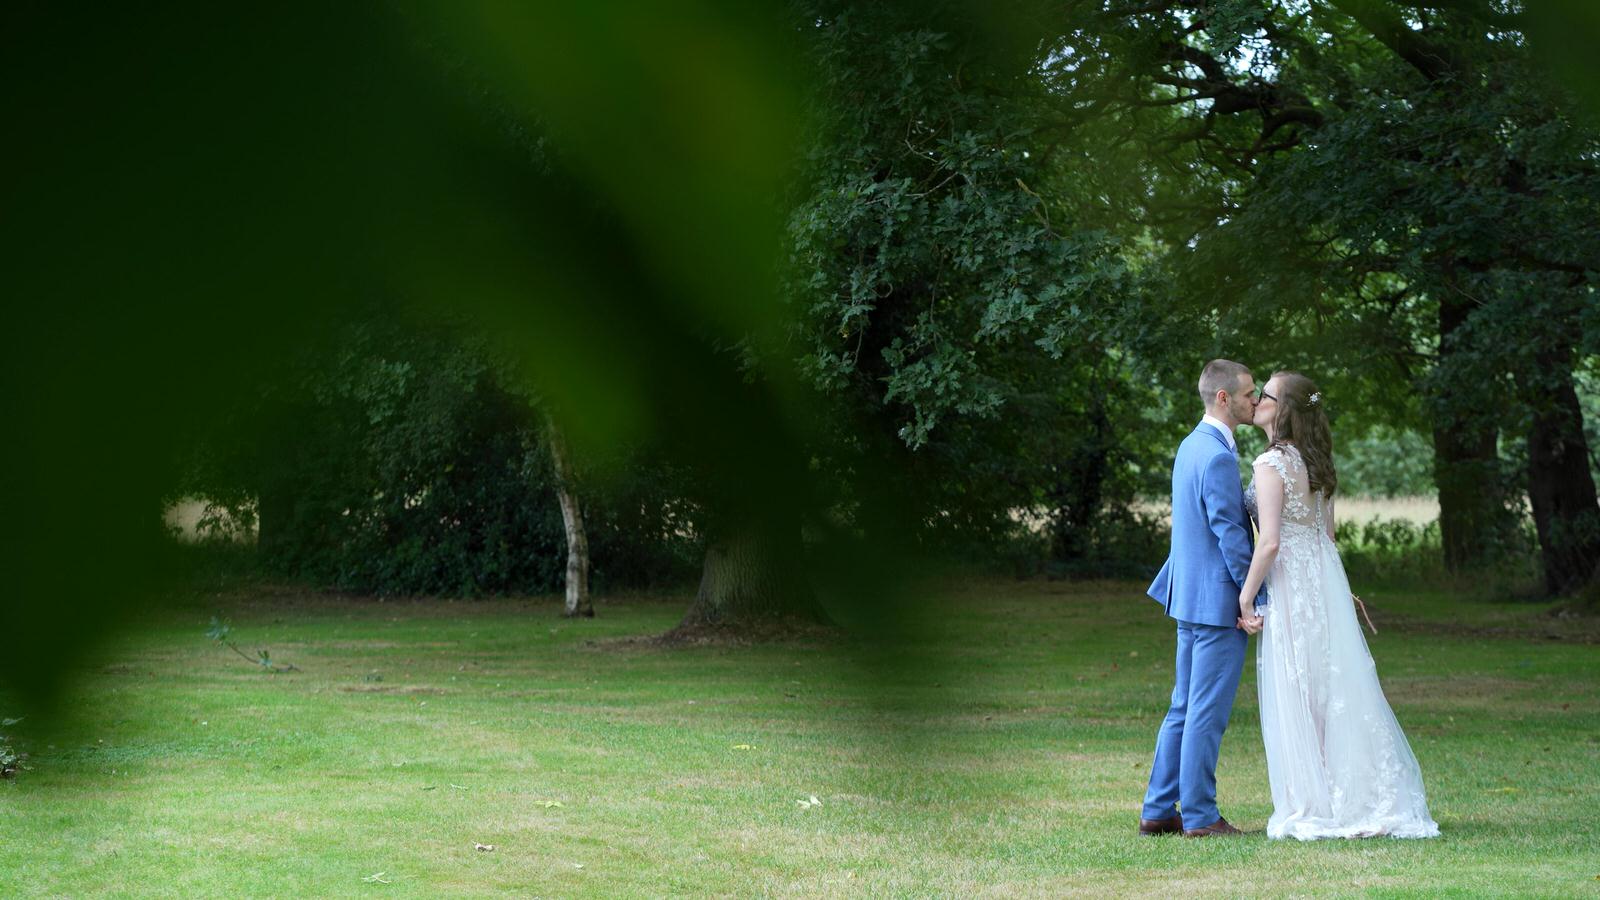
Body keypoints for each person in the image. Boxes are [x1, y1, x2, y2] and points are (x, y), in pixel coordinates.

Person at [1238, 371, 1440, 840]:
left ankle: (1317, 799)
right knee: (1331, 685)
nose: (1258, 400)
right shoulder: (1319, 463)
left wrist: (1246, 596)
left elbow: (1270, 542)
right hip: (1323, 579)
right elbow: (1327, 538)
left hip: (1291, 582)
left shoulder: (1270, 463)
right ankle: (1346, 791)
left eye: (1265, 395)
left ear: (1283, 410)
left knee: (1300, 685)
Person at [1139, 359, 1267, 838]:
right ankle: (1199, 815)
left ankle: (1157, 811)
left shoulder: (1191, 445)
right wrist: (1250, 598)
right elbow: (1229, 534)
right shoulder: (1217, 456)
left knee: (1183, 706)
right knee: (1205, 714)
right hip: (1216, 604)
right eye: (1249, 393)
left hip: (1189, 597)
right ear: (1223, 398)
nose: (1255, 400)